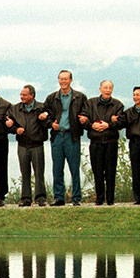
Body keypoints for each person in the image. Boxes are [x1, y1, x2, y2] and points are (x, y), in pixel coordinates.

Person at [42, 70, 87, 206]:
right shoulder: (52, 98)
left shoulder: (80, 97)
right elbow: (44, 115)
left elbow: (86, 112)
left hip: (72, 136)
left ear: (71, 80)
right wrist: (50, 124)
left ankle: (76, 198)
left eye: (66, 79)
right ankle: (59, 198)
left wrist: (84, 119)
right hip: (57, 136)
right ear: (58, 80)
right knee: (57, 168)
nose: (63, 82)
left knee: (74, 168)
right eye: (61, 79)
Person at [80, 80, 124, 206]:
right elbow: (82, 119)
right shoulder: (90, 103)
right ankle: (99, 199)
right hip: (96, 142)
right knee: (97, 171)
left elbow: (121, 122)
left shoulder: (118, 105)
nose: (107, 90)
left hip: (111, 142)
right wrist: (91, 125)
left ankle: (110, 200)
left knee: (110, 172)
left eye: (110, 88)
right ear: (100, 89)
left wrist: (108, 125)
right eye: (105, 88)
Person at [7, 85, 49, 207]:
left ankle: (40, 197)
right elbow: (7, 124)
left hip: (37, 144)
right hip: (22, 145)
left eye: (24, 95)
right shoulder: (15, 109)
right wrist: (15, 129)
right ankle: (25, 198)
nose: (22, 97)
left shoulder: (41, 108)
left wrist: (44, 118)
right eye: (21, 95)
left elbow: (49, 123)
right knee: (24, 173)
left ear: (32, 95)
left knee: (39, 172)